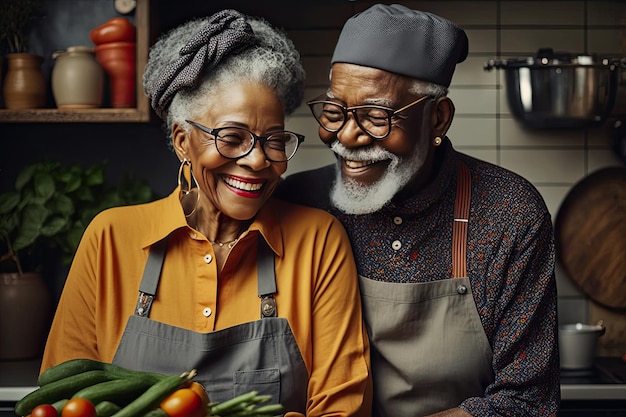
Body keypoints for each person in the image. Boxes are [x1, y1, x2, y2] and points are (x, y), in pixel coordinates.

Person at [41, 9, 372, 417]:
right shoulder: (111, 238)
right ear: (183, 141)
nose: (256, 161)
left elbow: (343, 409)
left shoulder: (318, 242)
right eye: (232, 138)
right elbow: (62, 397)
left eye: (274, 140)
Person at [275, 4, 559, 417]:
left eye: (375, 116)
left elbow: (529, 402)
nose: (347, 137)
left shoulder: (509, 213)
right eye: (335, 112)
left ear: (438, 118)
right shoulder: (300, 202)